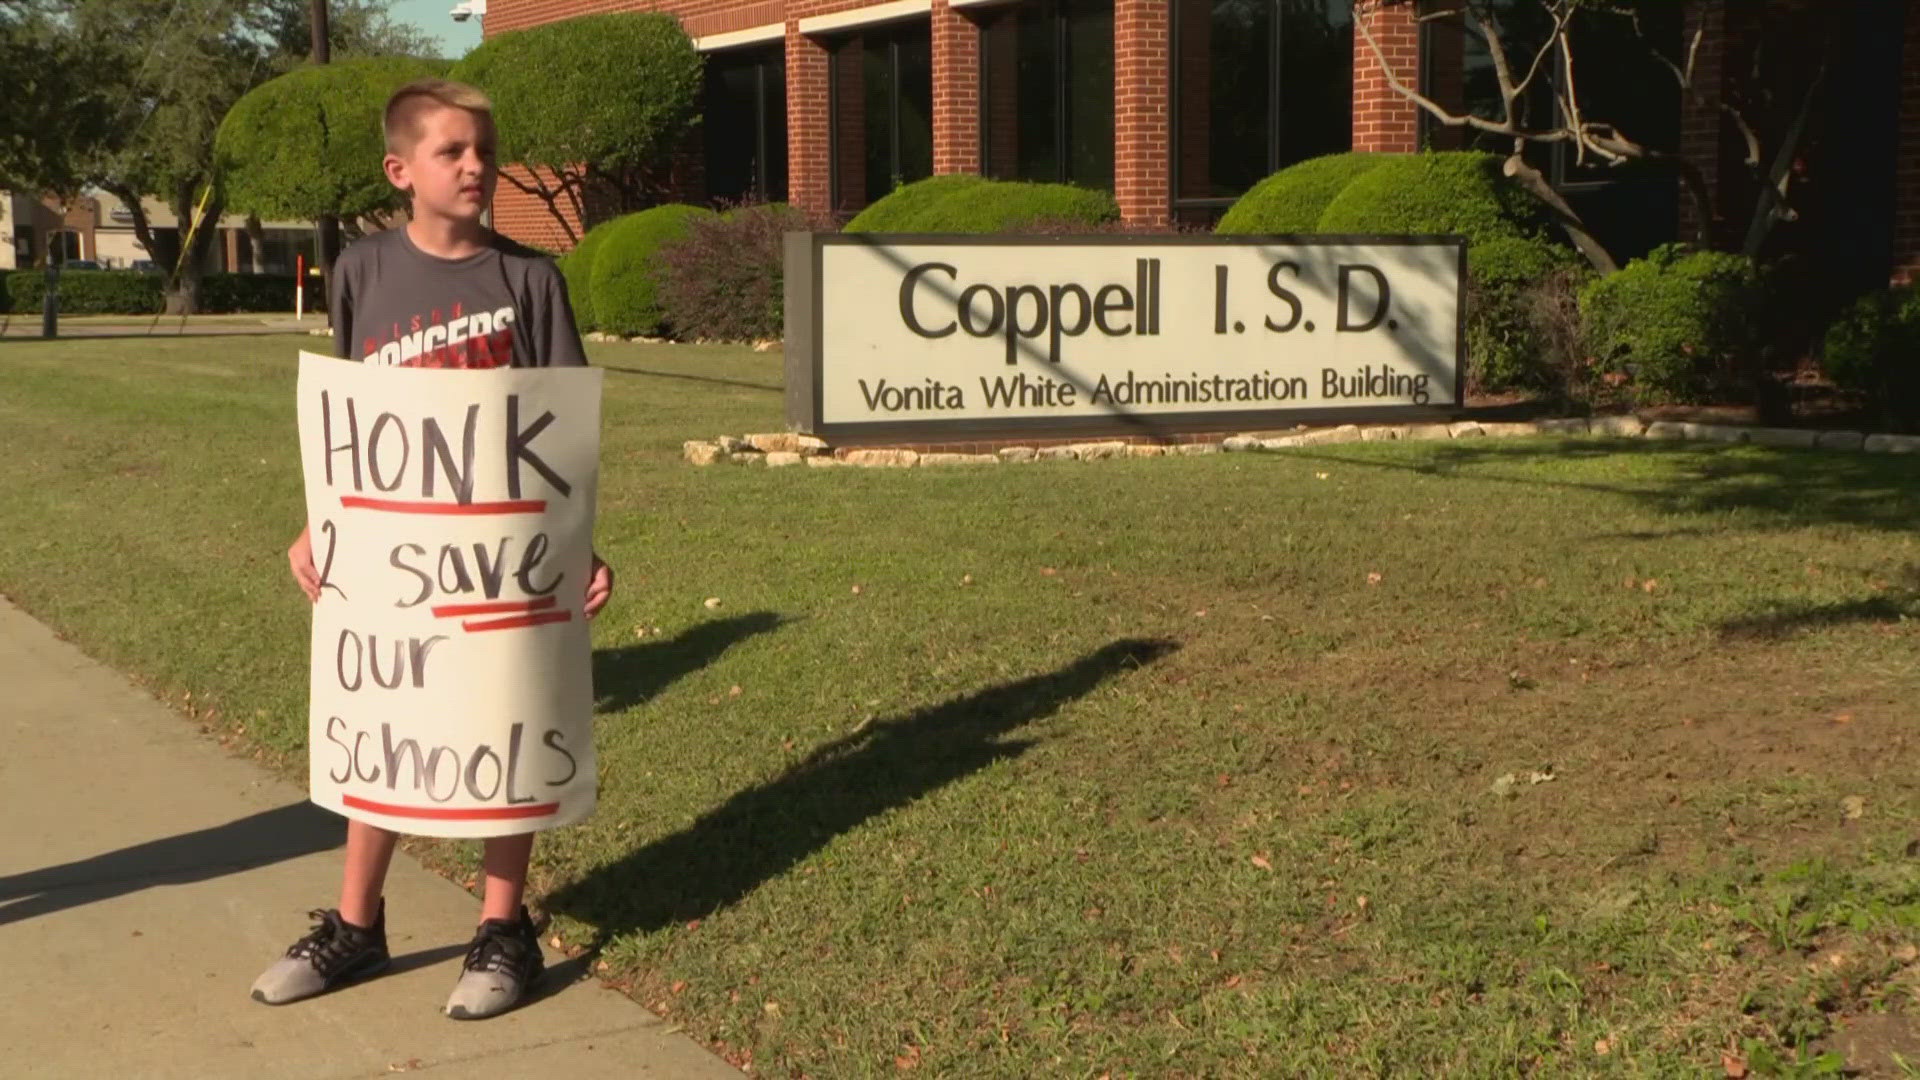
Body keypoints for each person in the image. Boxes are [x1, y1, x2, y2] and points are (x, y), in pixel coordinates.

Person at [251, 78, 614, 1020]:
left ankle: (503, 931)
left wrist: (581, 549)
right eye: (452, 151)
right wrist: (317, 523)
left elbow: (559, 437)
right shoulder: (362, 273)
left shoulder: (530, 282)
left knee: (503, 724)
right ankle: (355, 926)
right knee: (384, 724)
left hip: (501, 564)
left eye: (484, 150)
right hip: (388, 566)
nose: (476, 167)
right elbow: (351, 426)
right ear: (400, 169)